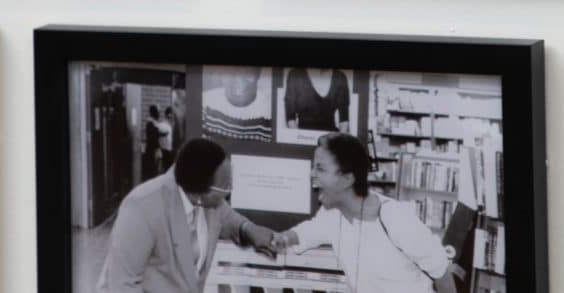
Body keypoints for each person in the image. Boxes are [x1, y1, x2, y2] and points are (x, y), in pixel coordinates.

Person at [270, 132, 456, 293]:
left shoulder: (395, 217)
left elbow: (441, 272)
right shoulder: (332, 214)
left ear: (347, 178)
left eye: (320, 168)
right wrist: (283, 238)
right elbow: (306, 233)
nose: (312, 174)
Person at [100, 137, 275, 293]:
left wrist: (248, 229)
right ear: (202, 191)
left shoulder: (209, 202)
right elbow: (122, 285)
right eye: (226, 187)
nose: (229, 192)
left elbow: (227, 217)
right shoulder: (142, 207)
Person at [283, 69, 350, 132]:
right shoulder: (295, 75)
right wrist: (300, 139)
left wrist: (337, 143)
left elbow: (344, 121)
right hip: (302, 137)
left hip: (330, 139)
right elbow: (290, 120)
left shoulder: (340, 77)